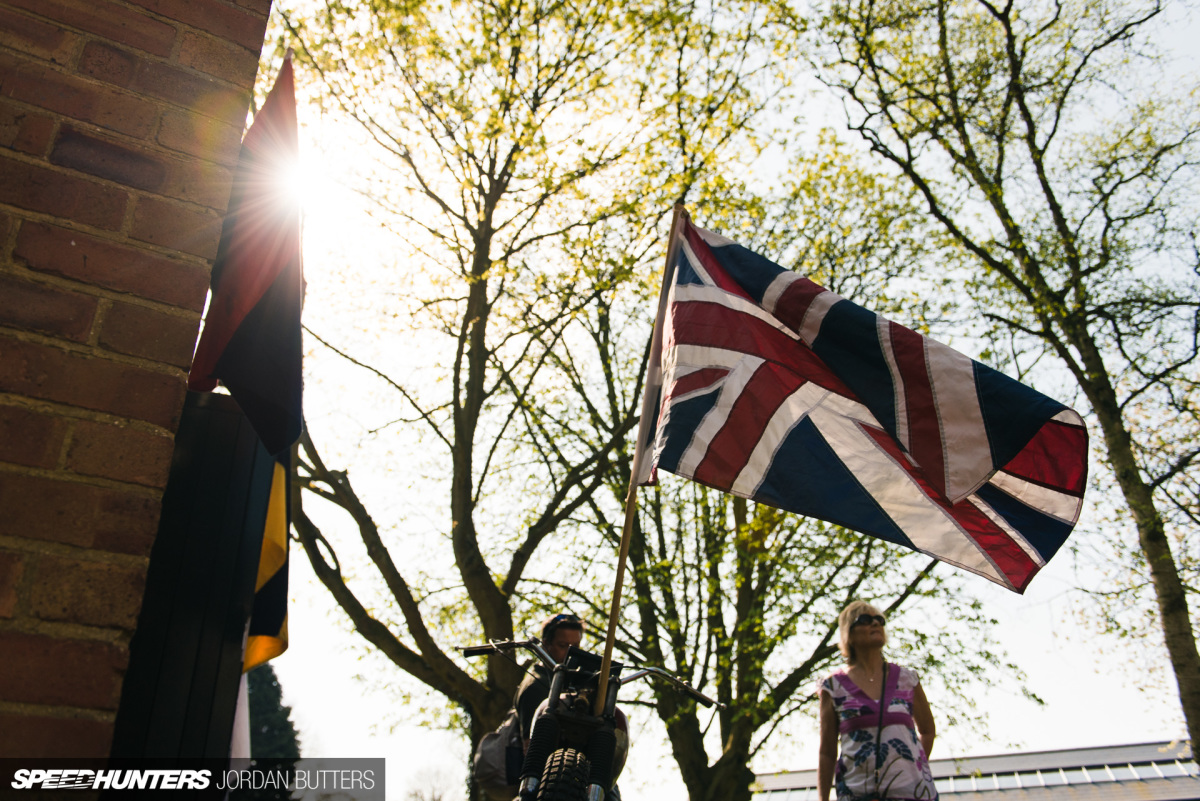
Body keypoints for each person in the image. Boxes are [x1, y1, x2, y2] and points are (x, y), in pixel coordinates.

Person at [817, 601, 938, 801]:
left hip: (912, 795)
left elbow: (927, 731)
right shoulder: (833, 687)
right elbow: (827, 752)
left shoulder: (907, 679)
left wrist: (913, 769)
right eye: (865, 620)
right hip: (856, 794)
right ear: (849, 633)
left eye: (879, 620)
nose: (875, 624)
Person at [515, 612, 584, 744]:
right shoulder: (536, 687)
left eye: (576, 647)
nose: (571, 653)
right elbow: (529, 748)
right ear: (546, 644)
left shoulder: (573, 683)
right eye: (563, 646)